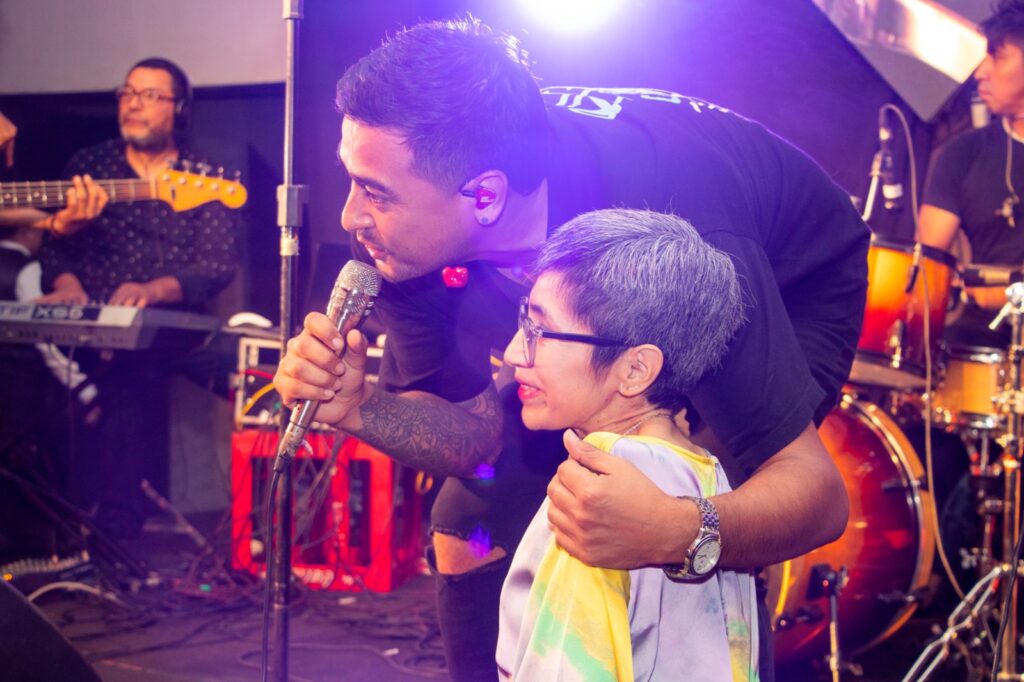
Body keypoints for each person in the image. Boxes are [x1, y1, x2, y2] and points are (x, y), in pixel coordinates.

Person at [273, 17, 869, 680]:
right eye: (353, 180)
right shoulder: (400, 249)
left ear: (485, 195)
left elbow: (817, 497)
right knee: (469, 520)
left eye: (375, 192)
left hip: (779, 281)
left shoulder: (681, 224)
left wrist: (680, 530)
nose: (349, 216)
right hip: (587, 292)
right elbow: (476, 439)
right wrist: (359, 409)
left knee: (675, 488)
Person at [496, 208, 757, 680]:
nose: (515, 352)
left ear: (636, 369)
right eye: (523, 319)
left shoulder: (602, 493)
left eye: (539, 331)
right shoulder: (706, 472)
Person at [17, 58, 241, 535]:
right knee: (109, 374)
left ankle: (255, 520)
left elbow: (218, 264)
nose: (134, 104)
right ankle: (81, 529)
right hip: (93, 327)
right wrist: (66, 285)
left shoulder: (201, 174)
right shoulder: (89, 166)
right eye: (128, 93)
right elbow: (56, 246)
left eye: (150, 95)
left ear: (179, 110)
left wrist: (152, 290)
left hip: (178, 329)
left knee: (248, 374)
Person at [919, 0, 1024, 346]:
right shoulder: (963, 152)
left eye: (997, 55)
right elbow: (926, 265)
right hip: (982, 340)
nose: (980, 72)